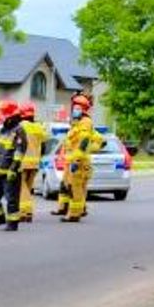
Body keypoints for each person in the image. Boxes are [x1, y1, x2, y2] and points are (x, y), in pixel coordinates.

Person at [58, 94, 103, 223]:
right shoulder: (77, 123)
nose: (73, 110)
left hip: (79, 160)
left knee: (75, 187)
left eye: (75, 107)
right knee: (72, 186)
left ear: (80, 108)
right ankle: (77, 210)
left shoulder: (85, 122)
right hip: (75, 158)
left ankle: (74, 214)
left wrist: (77, 159)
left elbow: (83, 142)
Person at [0, 100, 26, 231]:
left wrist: (14, 168)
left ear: (13, 116)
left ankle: (12, 222)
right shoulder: (3, 129)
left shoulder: (19, 130)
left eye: (5, 116)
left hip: (10, 170)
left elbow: (20, 151)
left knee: (11, 198)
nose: (3, 119)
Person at [18, 103, 47, 223]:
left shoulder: (21, 126)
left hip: (23, 161)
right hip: (35, 162)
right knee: (28, 188)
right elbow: (44, 145)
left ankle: (26, 212)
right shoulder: (39, 127)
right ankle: (26, 212)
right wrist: (39, 157)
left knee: (21, 187)